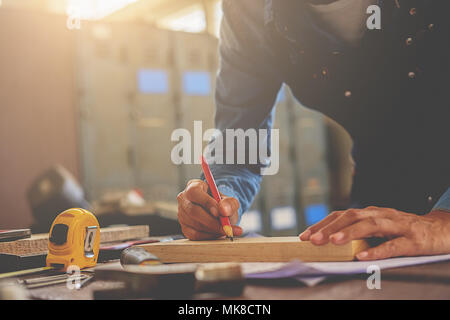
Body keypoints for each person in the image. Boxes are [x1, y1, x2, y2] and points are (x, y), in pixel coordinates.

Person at [177, 0, 450, 260]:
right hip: (377, 210)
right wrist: (217, 201)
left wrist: (443, 221)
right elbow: (237, 149)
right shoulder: (249, 11)